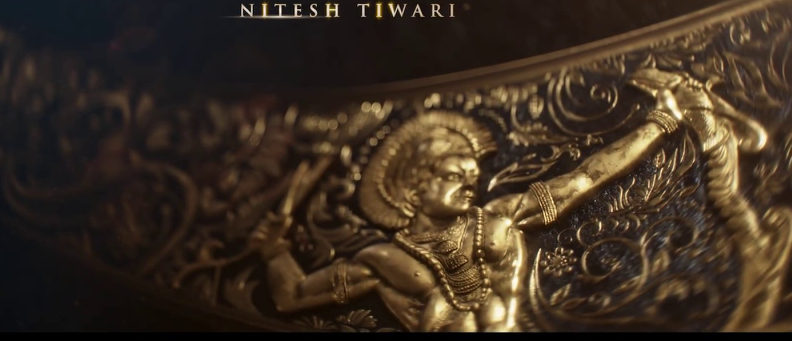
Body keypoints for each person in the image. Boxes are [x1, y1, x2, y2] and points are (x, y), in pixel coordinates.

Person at [250, 68, 712, 332]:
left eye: (472, 176)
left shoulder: (500, 219)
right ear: (414, 187)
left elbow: (586, 177)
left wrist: (659, 123)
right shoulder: (384, 261)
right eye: (454, 176)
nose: (470, 184)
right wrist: (273, 252)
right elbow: (292, 297)